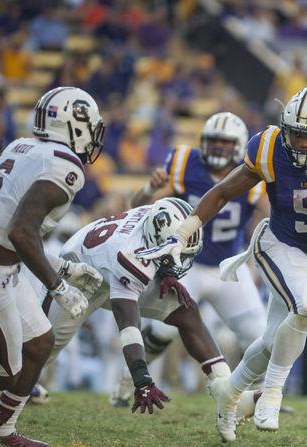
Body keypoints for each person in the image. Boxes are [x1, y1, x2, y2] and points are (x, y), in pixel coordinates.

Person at [137, 86, 307, 441]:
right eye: (296, 134)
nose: (302, 143)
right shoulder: (269, 147)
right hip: (277, 243)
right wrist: (184, 231)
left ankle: (229, 396)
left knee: (268, 343)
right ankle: (273, 393)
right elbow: (221, 193)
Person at [110, 112, 268, 406]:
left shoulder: (251, 174)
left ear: (239, 145)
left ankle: (264, 398)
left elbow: (271, 214)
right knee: (161, 331)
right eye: (214, 141)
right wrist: (149, 189)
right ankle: (125, 383)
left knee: (259, 337)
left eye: (225, 142)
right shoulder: (184, 164)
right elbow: (137, 208)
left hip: (228, 268)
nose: (219, 148)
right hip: (186, 268)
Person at [44, 198, 255, 416]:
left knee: (186, 311)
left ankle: (225, 387)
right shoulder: (130, 255)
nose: (179, 260)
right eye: (177, 254)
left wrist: (166, 272)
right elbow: (127, 323)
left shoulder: (157, 221)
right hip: (81, 274)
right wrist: (142, 380)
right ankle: (16, 392)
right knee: (43, 347)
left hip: (113, 265)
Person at [0, 87, 105, 446]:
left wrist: (64, 269)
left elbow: (6, 230)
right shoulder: (64, 164)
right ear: (76, 125)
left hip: (3, 262)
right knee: (5, 373)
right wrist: (58, 286)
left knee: (39, 343)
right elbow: (22, 232)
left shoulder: (22, 146)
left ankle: (0, 431)